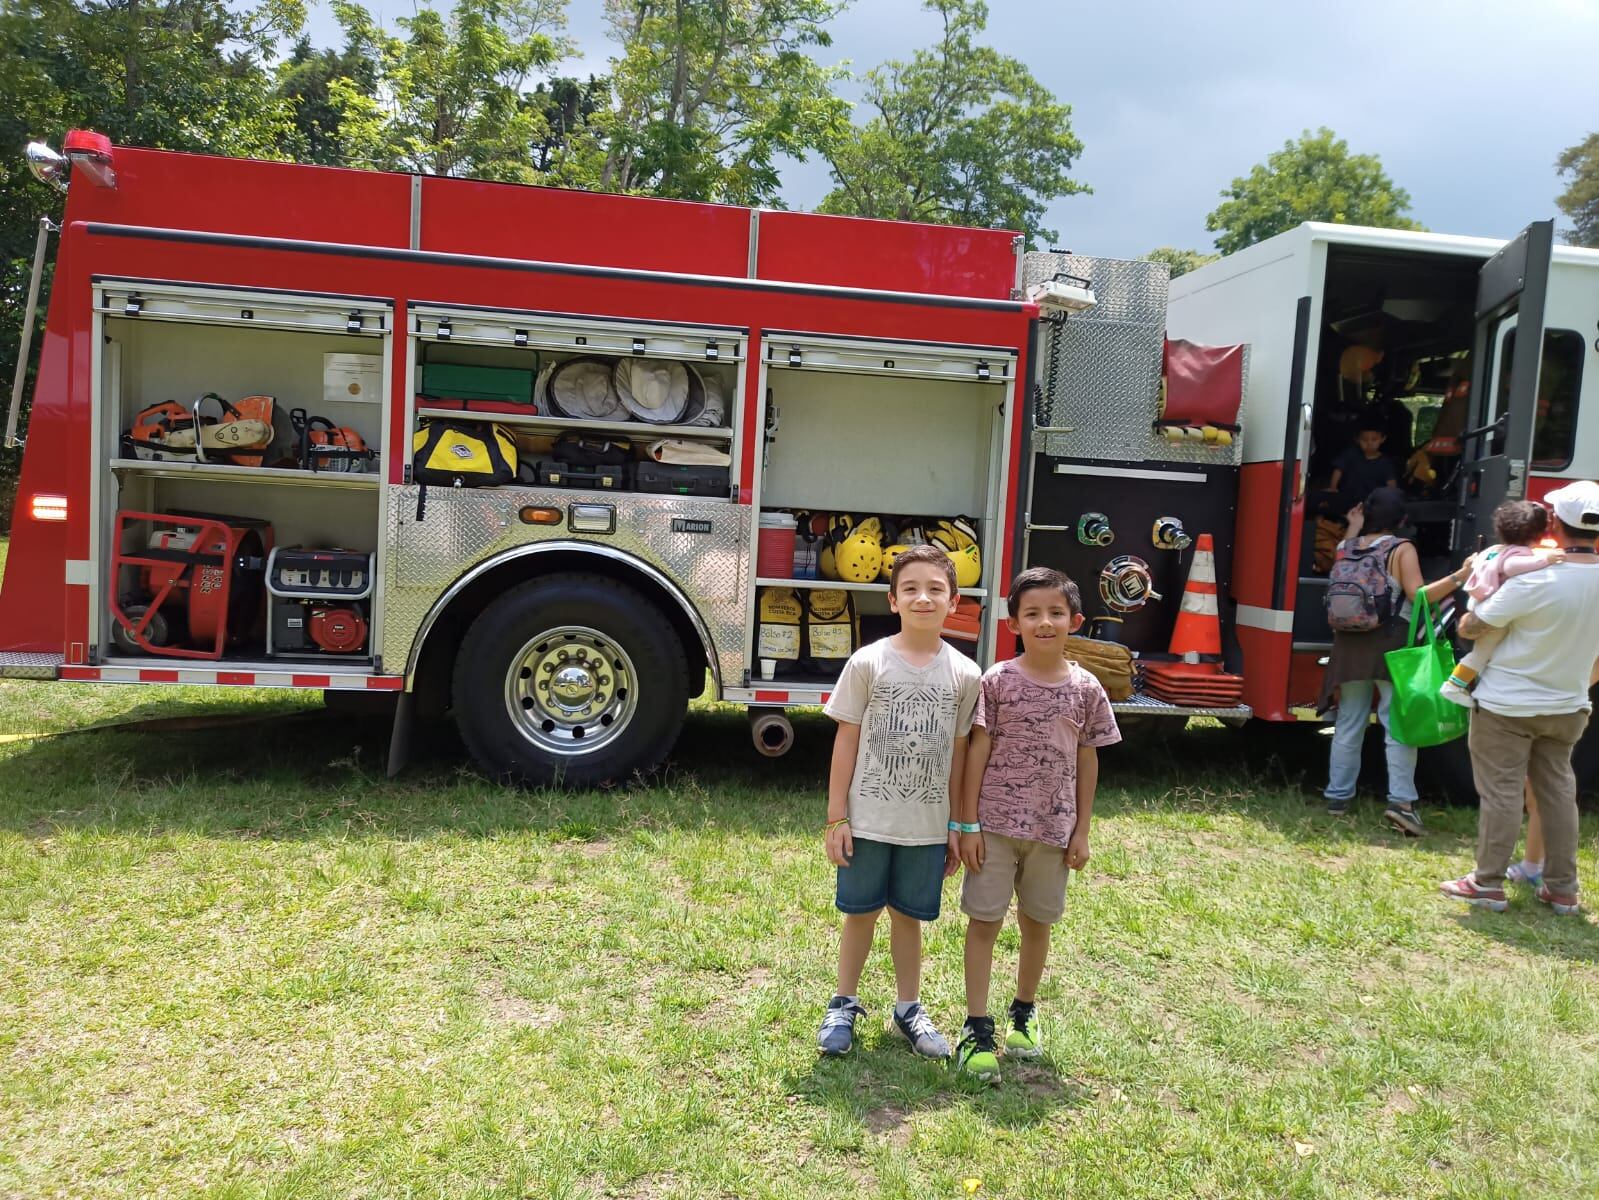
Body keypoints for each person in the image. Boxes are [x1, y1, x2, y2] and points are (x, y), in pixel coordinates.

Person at [952, 567, 1120, 1081]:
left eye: (1055, 613)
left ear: (1076, 620)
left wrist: (1082, 829)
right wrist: (968, 824)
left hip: (1054, 833)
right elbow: (977, 752)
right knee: (985, 923)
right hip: (995, 830)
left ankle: (1023, 1012)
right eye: (1032, 613)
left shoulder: (1088, 688)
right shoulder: (997, 681)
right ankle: (976, 1026)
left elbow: (1088, 761)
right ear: (1014, 623)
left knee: (1037, 924)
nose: (1044, 622)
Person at [817, 543, 982, 1057]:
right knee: (860, 914)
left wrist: (957, 825)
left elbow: (959, 755)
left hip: (928, 828)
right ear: (892, 600)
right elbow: (845, 740)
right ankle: (843, 1003)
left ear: (955, 601)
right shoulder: (868, 662)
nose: (923, 598)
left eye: (936, 589)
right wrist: (836, 817)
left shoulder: (966, 675)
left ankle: (908, 1008)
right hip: (867, 820)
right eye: (910, 589)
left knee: (909, 918)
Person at [1441, 480, 1599, 915]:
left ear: (1555, 522)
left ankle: (1487, 884)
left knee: (1502, 795)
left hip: (1507, 706)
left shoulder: (1535, 580)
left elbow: (1471, 627)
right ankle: (1562, 889)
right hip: (1569, 705)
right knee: (1559, 794)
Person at [1320, 487, 1469, 834]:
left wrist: (1353, 526)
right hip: (1390, 643)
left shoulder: (1346, 546)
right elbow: (1418, 596)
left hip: (1348, 644)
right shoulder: (1401, 548)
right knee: (1396, 724)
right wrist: (1459, 576)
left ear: (1366, 515)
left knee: (1349, 722)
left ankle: (1337, 798)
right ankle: (1401, 801)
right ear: (1403, 520)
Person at [1440, 500, 1563, 707]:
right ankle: (1454, 686)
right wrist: (1546, 560)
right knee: (1480, 655)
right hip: (1490, 612)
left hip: (1478, 605)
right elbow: (1512, 566)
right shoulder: (1516, 556)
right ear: (1541, 531)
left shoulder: (1496, 549)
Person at [1329, 415, 1400, 507]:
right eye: (1364, 439)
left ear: (1382, 439)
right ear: (1357, 439)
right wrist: (1333, 488)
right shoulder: (1350, 454)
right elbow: (1338, 470)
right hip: (1348, 501)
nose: (1369, 443)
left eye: (1374, 439)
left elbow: (1391, 484)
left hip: (1373, 505)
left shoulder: (1385, 462)